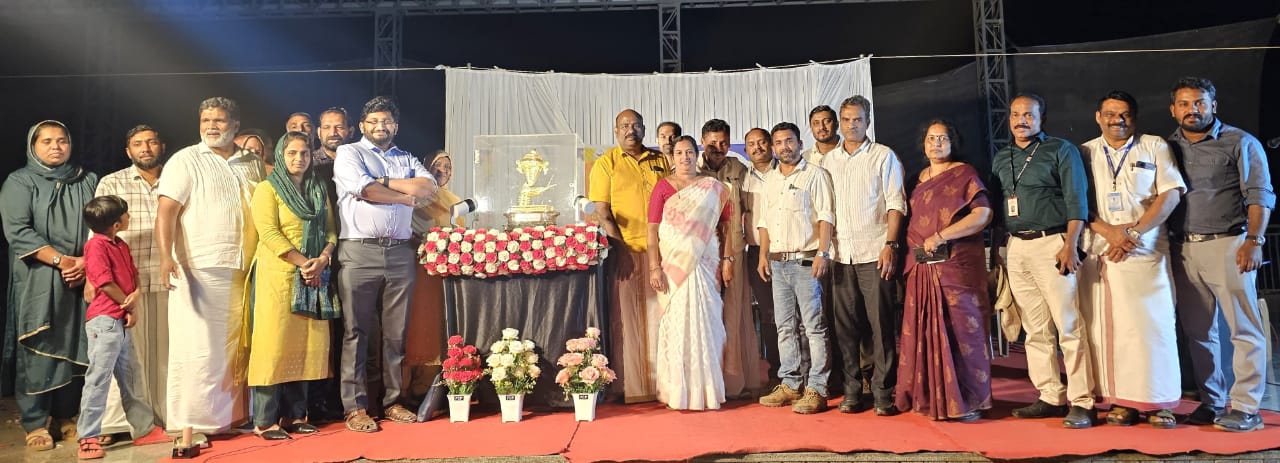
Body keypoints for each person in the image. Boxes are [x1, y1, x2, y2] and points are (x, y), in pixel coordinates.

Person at [1167, 77, 1273, 433]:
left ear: (1214, 105)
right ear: (1173, 109)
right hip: (1183, 248)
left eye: (1199, 102)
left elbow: (1260, 194)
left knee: (1244, 329)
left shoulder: (1240, 142)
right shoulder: (1166, 147)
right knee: (1198, 333)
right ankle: (1212, 401)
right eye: (1184, 104)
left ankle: (1246, 407)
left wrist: (1253, 241)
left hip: (1229, 245)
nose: (1192, 110)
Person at [1077, 91, 1186, 429]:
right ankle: (1121, 402)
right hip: (1102, 250)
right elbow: (1076, 202)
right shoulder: (1084, 152)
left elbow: (1171, 194)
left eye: (1124, 114)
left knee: (1153, 328)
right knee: (1108, 330)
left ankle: (1159, 403)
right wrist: (1110, 233)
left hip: (1146, 251)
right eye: (1110, 114)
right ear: (1098, 117)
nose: (1117, 120)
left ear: (1134, 118)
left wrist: (1134, 234)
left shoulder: (1154, 146)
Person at [156, 97, 261, 437]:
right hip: (199, 267)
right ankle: (194, 422)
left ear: (235, 124)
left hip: (246, 266)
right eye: (206, 121)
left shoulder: (252, 162)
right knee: (200, 347)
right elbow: (166, 212)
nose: (212, 126)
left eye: (219, 120)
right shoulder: (185, 159)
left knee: (236, 346)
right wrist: (166, 256)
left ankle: (232, 417)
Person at [991, 93, 1096, 428]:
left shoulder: (1060, 150)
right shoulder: (1002, 157)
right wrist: (998, 251)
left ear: (1042, 118)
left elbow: (1077, 200)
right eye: (1015, 114)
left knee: (1068, 325)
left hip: (1053, 242)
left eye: (1028, 115)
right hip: (1017, 246)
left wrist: (1071, 244)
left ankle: (1083, 401)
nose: (1021, 121)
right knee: (1034, 328)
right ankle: (1050, 395)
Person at [333, 96, 436, 432]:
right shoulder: (350, 153)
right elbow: (365, 190)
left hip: (400, 252)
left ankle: (393, 402)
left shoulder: (405, 157)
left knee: (396, 333)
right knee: (356, 332)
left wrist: (386, 182)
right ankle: (356, 407)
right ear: (363, 125)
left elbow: (428, 186)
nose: (381, 126)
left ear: (396, 125)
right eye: (374, 121)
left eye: (386, 121)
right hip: (359, 251)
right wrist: (404, 196)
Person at [1, 120, 97, 451]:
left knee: (75, 342)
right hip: (39, 274)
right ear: (33, 146)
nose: (56, 146)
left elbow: (99, 225)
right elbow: (18, 231)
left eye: (62, 140)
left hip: (81, 273)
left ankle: (65, 416)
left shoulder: (87, 180)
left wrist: (85, 262)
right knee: (38, 342)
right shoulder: (20, 181)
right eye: (47, 141)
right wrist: (62, 261)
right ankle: (35, 422)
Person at [894, 119, 994, 422]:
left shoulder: (965, 174)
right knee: (923, 332)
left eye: (942, 138)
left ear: (953, 143)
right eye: (930, 138)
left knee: (963, 333)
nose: (936, 143)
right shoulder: (915, 180)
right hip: (921, 268)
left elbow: (983, 214)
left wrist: (941, 236)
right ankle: (929, 398)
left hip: (956, 267)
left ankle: (967, 402)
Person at [247, 132, 338, 440]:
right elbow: (269, 233)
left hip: (314, 276)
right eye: (292, 153)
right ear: (281, 156)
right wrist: (304, 263)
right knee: (273, 345)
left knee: (305, 345)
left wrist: (323, 259)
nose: (299, 159)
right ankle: (264, 421)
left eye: (304, 153)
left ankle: (296, 415)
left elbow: (331, 230)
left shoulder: (318, 188)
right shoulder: (267, 189)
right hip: (278, 275)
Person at [824, 95, 906, 415]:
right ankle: (852, 391)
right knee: (845, 329)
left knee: (881, 326)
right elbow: (823, 209)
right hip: (840, 255)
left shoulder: (883, 156)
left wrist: (891, 245)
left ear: (868, 122)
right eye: (846, 120)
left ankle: (884, 392)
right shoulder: (828, 161)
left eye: (857, 119)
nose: (851, 125)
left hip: (875, 252)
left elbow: (895, 203)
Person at [75, 195, 169, 459]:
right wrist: (127, 305)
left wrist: (135, 296)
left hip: (120, 318)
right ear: (116, 224)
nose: (129, 217)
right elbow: (104, 282)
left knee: (131, 376)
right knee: (98, 378)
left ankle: (144, 429)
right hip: (104, 320)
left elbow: (133, 273)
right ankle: (88, 437)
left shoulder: (120, 244)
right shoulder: (96, 246)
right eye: (125, 215)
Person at [93, 125, 171, 441]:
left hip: (167, 278)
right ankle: (115, 424)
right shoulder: (112, 182)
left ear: (162, 146)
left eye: (151, 142)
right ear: (128, 151)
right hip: (124, 287)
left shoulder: (176, 177)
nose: (145, 148)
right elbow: (98, 234)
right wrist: (95, 280)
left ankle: (163, 417)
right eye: (138, 144)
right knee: (121, 357)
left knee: (165, 354)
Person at [588, 109, 670, 403]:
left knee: (662, 317)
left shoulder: (661, 160)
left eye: (636, 125)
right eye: (624, 125)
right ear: (615, 131)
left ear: (644, 129)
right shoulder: (605, 163)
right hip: (627, 251)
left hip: (663, 252)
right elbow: (602, 212)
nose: (630, 130)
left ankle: (665, 384)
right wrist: (620, 250)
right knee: (628, 319)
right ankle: (630, 386)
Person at [755, 122, 835, 414]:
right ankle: (790, 383)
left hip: (806, 260)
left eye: (789, 141)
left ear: (800, 144)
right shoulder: (770, 180)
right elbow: (764, 222)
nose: (784, 147)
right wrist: (763, 256)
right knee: (785, 326)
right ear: (773, 147)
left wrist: (822, 252)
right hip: (777, 262)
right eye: (778, 142)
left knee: (814, 327)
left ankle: (818, 387)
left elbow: (826, 217)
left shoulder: (815, 174)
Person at [648, 135, 733, 410]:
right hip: (673, 265)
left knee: (707, 324)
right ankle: (678, 392)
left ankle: (706, 391)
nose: (685, 157)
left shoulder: (713, 188)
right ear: (672, 157)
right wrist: (654, 267)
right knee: (677, 325)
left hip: (705, 263)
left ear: (697, 155)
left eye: (689, 152)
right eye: (679, 153)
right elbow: (652, 230)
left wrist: (728, 259)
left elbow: (726, 226)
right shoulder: (662, 187)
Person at [696, 119, 764, 399]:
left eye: (724, 142)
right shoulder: (691, 169)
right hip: (701, 254)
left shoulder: (738, 169)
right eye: (712, 142)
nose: (718, 147)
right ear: (702, 142)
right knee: (705, 315)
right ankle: (705, 382)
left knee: (734, 315)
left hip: (734, 252)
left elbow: (753, 208)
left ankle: (733, 381)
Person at [403, 150, 460, 406]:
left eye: (447, 167)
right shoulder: (415, 196)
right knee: (418, 324)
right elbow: (407, 228)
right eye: (436, 166)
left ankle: (436, 385)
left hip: (445, 275)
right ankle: (409, 389)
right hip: (419, 269)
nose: (442, 171)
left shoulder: (455, 201)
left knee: (440, 325)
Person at [741, 127, 780, 378]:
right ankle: (777, 371)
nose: (757, 147)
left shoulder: (785, 171)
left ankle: (805, 372)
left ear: (771, 144)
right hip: (756, 254)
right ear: (746, 150)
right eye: (751, 144)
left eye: (762, 142)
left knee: (795, 314)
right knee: (768, 313)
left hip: (786, 252)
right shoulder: (743, 177)